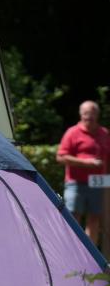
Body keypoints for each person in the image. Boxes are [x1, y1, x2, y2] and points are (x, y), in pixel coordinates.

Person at [56, 100, 110, 245]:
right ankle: (71, 252)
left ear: (97, 115)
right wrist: (86, 163)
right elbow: (60, 157)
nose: (89, 117)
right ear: (81, 115)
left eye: (92, 113)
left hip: (98, 182)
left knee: (95, 218)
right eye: (86, 113)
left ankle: (91, 257)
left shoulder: (104, 133)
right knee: (73, 217)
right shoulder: (72, 132)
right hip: (76, 183)